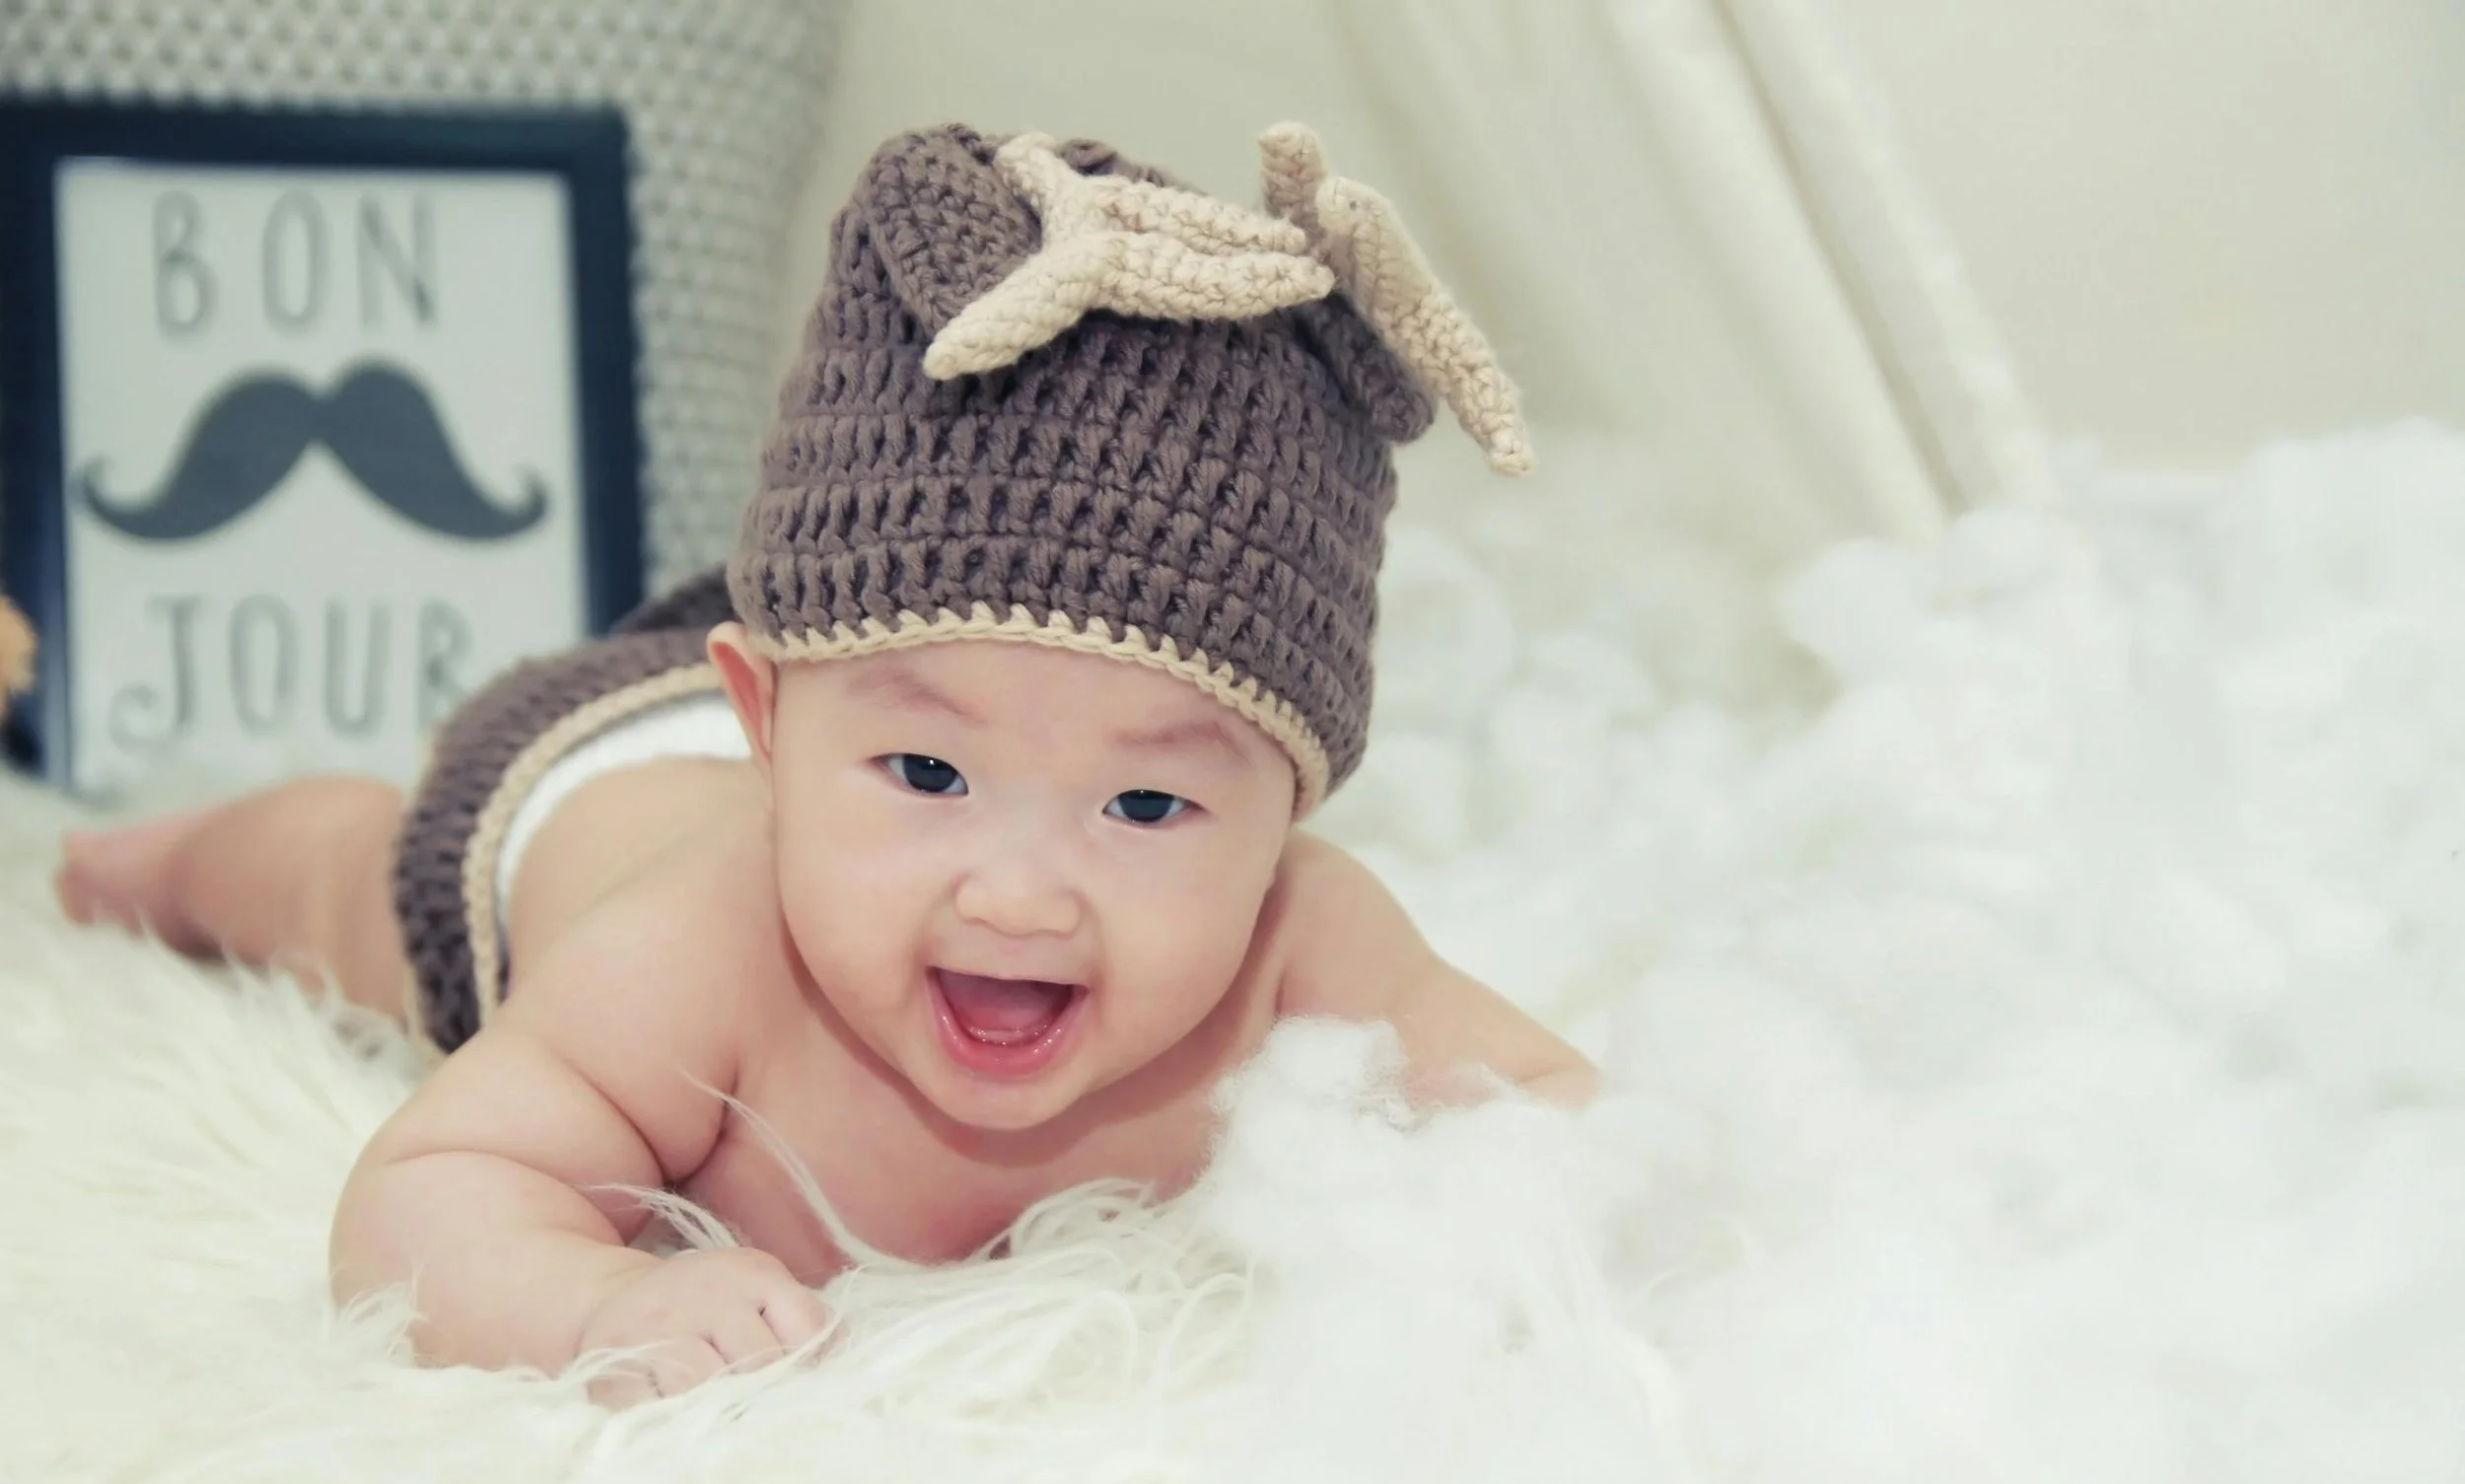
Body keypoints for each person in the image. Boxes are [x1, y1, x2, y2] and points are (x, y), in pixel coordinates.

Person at [53, 122, 1593, 1404]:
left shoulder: (1296, 946)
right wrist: (591, 1305)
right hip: (571, 799)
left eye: (1145, 803)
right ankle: (165, 856)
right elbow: (422, 1194)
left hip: (812, 696)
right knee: (335, 887)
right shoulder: (699, 958)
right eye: (930, 777)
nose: (1019, 890)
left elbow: (1551, 1112)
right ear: (773, 726)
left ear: (1287, 816)